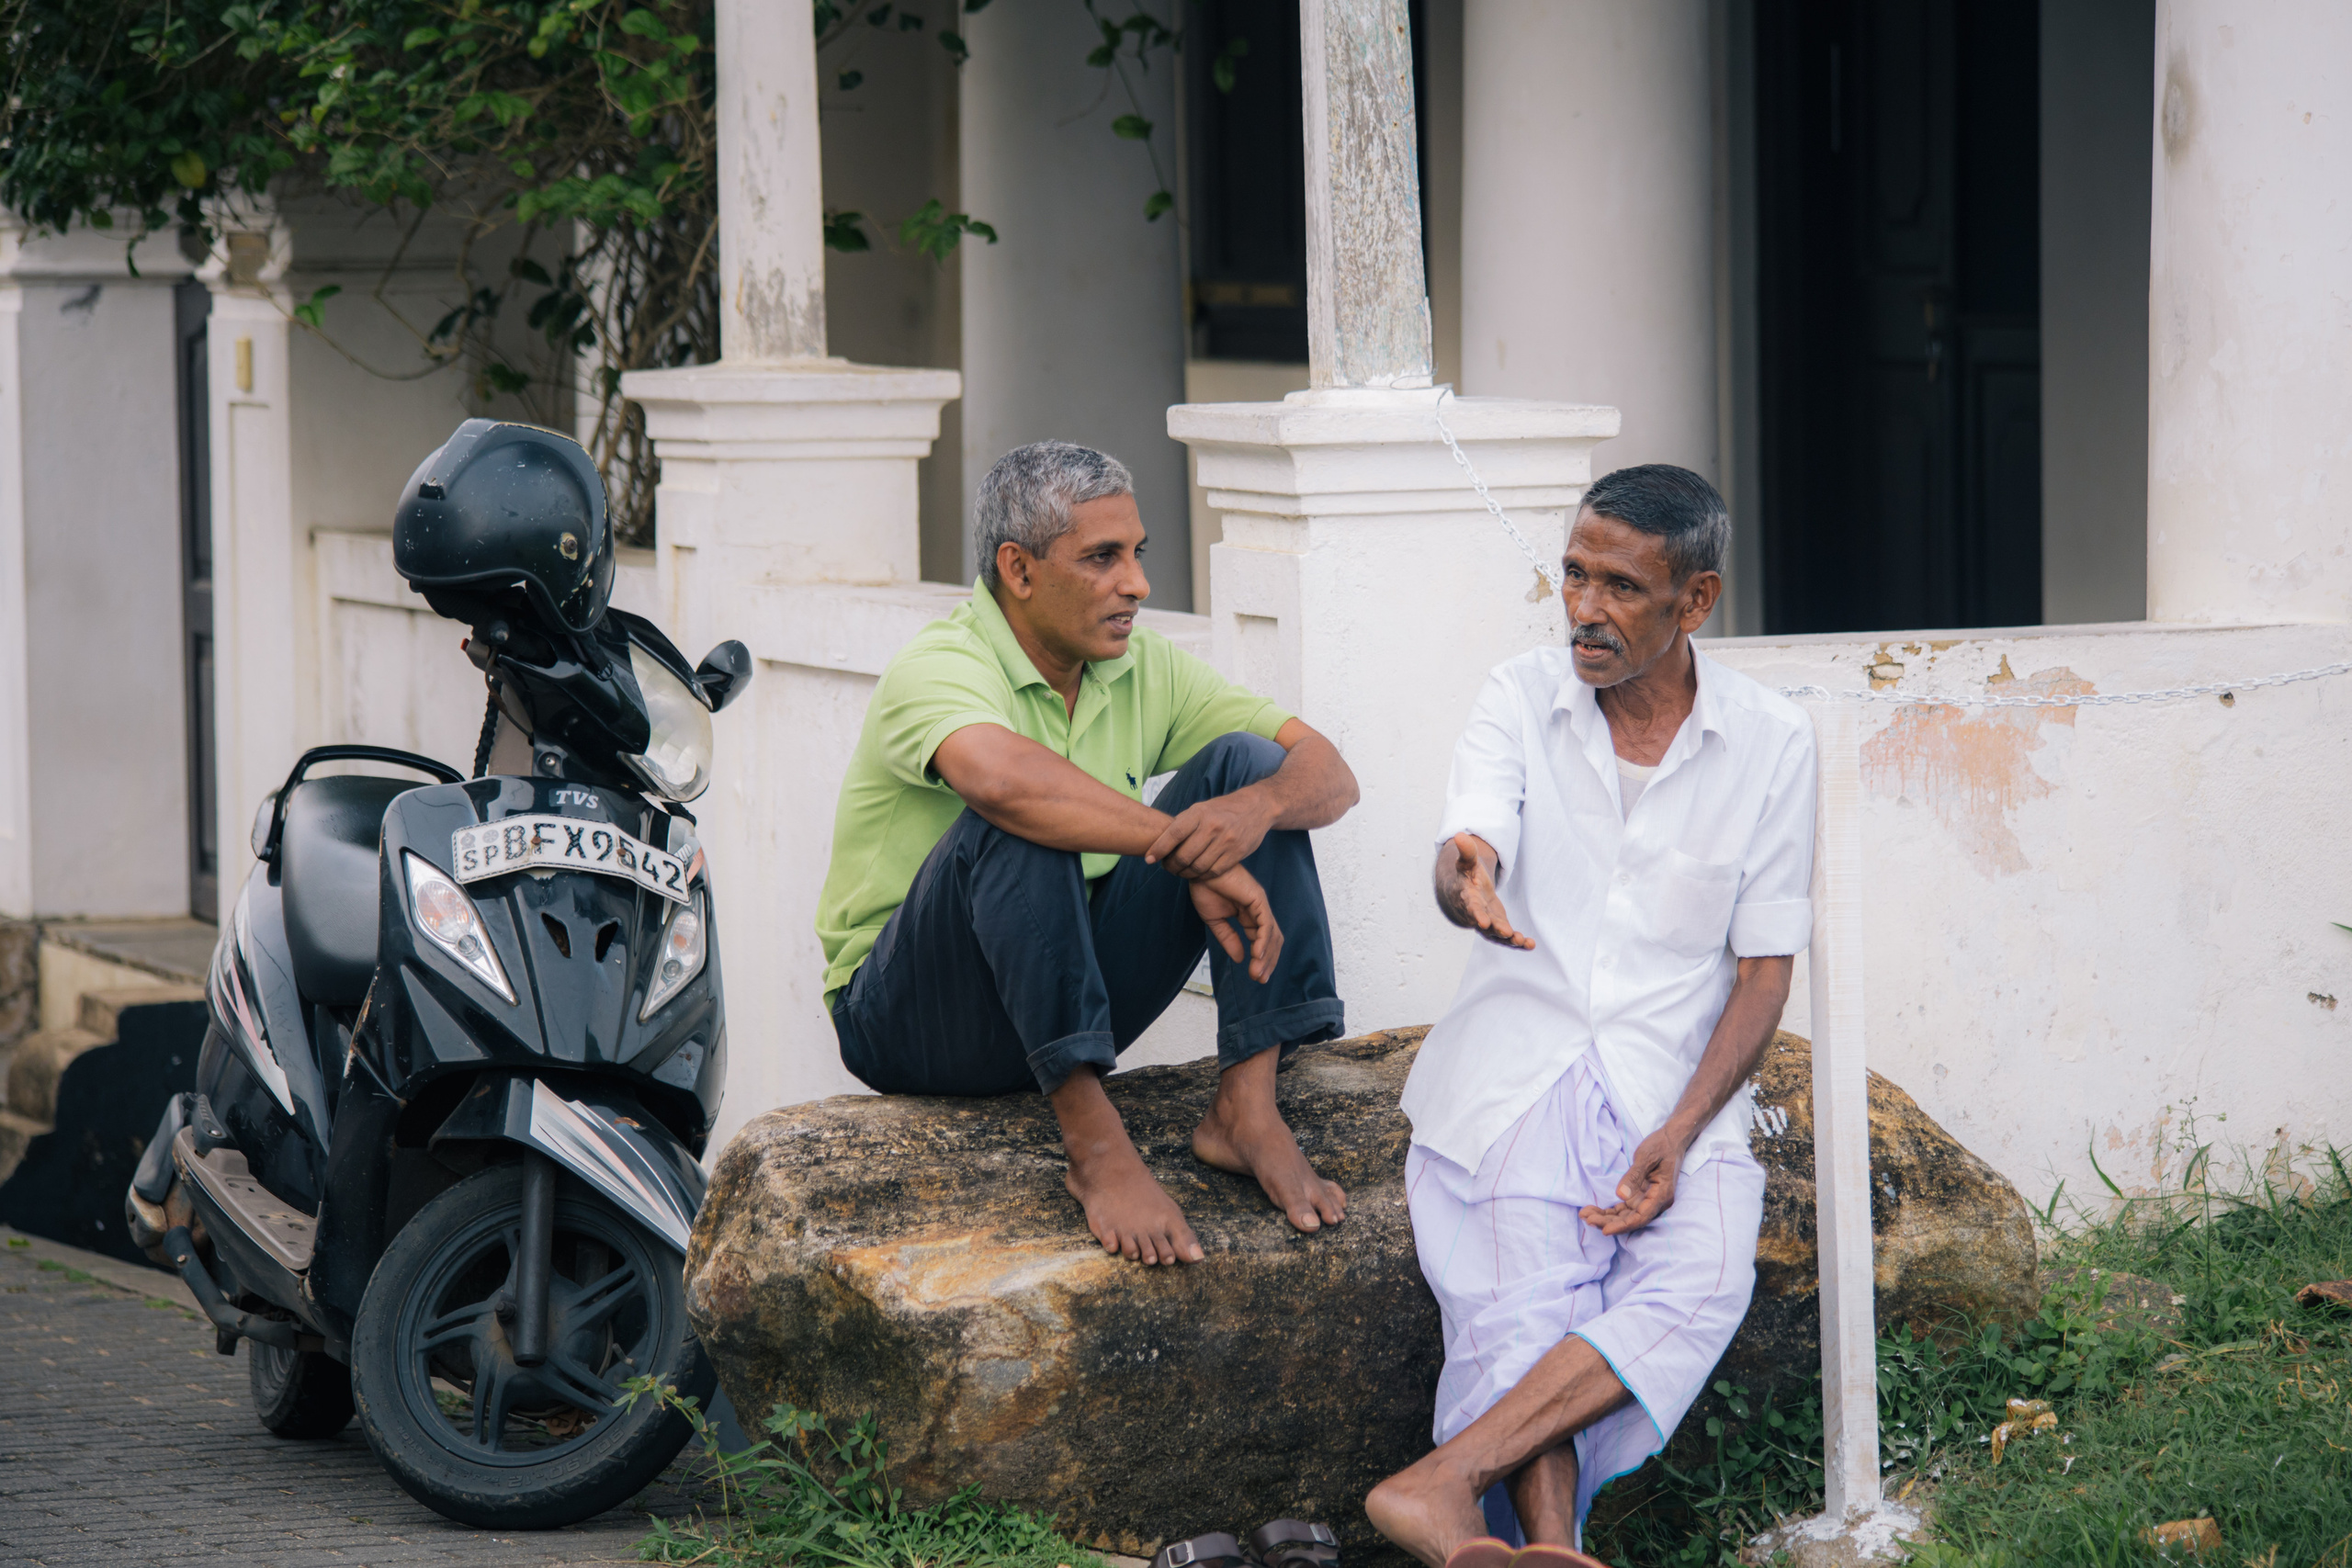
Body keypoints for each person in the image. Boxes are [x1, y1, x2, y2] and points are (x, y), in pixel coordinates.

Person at [1364, 465, 1815, 1567]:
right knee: (1522, 1302)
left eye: (1619, 586)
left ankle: (1443, 1482)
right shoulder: (1518, 696)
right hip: (1516, 1078)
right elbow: (1469, 838)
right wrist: (1463, 878)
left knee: (1703, 1279)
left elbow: (1763, 971)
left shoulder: (1770, 741)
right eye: (1573, 575)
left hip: (1670, 1087)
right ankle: (1553, 1549)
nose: (1585, 610)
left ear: (1694, 600)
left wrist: (1680, 1131)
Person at [817, 440, 1362, 1265]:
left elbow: (1328, 771)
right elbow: (1001, 782)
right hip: (914, 1014)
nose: (1137, 583)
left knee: (1251, 772)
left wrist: (1252, 813)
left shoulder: (1139, 667)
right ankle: (1096, 1145)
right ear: (1019, 569)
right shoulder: (939, 664)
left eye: (1137, 554)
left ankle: (1246, 1108)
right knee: (1022, 814)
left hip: (1065, 983)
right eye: (1103, 558)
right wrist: (1190, 852)